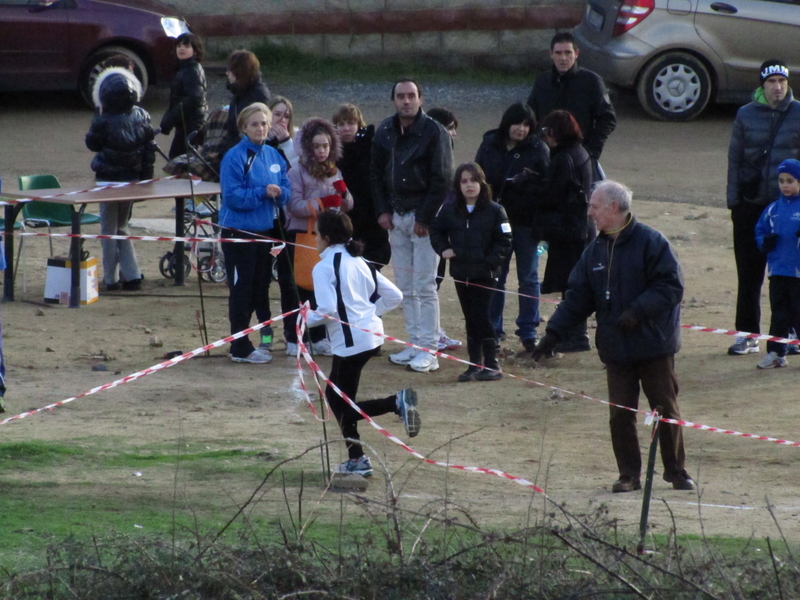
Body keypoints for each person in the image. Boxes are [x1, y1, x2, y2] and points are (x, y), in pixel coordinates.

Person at [532, 181, 695, 493]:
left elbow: (671, 286)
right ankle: (628, 475)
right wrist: (552, 334)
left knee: (665, 409)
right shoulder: (593, 251)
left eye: (595, 205)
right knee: (620, 414)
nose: (590, 211)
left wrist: (637, 310)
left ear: (614, 208)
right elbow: (577, 297)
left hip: (653, 344)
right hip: (616, 348)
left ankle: (676, 471)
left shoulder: (652, 243)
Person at [304, 210, 419, 477]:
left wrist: (303, 320)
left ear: (326, 236)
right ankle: (357, 458)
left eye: (316, 233)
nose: (314, 238)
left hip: (351, 342)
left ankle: (395, 403)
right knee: (340, 398)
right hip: (371, 337)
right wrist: (369, 314)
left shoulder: (322, 268)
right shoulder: (359, 260)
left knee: (339, 402)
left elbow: (328, 308)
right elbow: (395, 296)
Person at [370, 79, 454, 373]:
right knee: (405, 286)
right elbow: (376, 173)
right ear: (393, 100)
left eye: (411, 96)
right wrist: (382, 211)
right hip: (396, 216)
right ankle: (415, 343)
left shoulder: (435, 132)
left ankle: (429, 349)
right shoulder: (384, 131)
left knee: (425, 285)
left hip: (423, 219)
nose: (406, 101)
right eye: (400, 96)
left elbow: (442, 178)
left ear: (420, 98)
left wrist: (425, 217)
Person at [726, 59, 800, 356]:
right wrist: (733, 200)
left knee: (790, 276)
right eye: (771, 82)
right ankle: (747, 334)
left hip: (789, 208)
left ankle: (790, 334)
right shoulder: (745, 114)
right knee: (749, 274)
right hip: (750, 204)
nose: (777, 87)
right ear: (762, 85)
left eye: (782, 81)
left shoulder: (798, 113)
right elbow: (735, 159)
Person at [219, 102, 290, 364]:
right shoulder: (235, 157)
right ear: (244, 127)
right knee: (242, 288)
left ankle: (248, 340)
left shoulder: (274, 155)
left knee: (260, 287)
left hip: (265, 231)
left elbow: (286, 188)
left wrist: (281, 194)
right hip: (238, 232)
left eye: (264, 123)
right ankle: (239, 345)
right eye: (254, 124)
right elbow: (232, 196)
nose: (260, 128)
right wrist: (262, 192)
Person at [475, 102, 549, 351]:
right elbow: (478, 179)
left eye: (527, 124)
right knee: (497, 276)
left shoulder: (539, 148)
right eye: (518, 123)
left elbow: (546, 185)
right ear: (507, 123)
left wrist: (527, 184)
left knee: (529, 278)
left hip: (528, 223)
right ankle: (493, 329)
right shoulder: (489, 144)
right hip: (497, 222)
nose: (522, 129)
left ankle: (528, 331)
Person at [430, 163, 512, 382]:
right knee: (470, 317)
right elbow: (435, 231)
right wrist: (443, 249)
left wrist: (490, 261)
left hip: (485, 274)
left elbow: (505, 241)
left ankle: (492, 363)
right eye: (464, 181)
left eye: (473, 180)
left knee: (482, 316)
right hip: (461, 273)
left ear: (481, 183)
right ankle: (474, 364)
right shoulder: (449, 210)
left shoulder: (495, 210)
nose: (469, 185)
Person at [284, 117, 354, 356]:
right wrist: (321, 203)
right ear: (308, 147)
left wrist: (344, 194)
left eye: (325, 146)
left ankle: (319, 336)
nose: (322, 151)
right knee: (301, 287)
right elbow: (294, 205)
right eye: (316, 146)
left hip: (329, 239)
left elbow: (347, 207)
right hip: (304, 236)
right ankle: (295, 338)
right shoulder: (297, 172)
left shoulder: (335, 171)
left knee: (324, 288)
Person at [85, 55, 153, 292]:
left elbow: (92, 144)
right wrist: (145, 178)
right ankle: (132, 274)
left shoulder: (103, 119)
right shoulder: (143, 116)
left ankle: (111, 278)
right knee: (122, 227)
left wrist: (98, 116)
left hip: (107, 180)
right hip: (132, 180)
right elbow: (149, 150)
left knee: (108, 230)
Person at [529, 109, 594, 353]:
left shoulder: (563, 158)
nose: (546, 136)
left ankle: (576, 335)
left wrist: (532, 184)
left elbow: (552, 195)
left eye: (548, 131)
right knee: (575, 283)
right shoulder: (580, 153)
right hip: (580, 228)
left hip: (567, 231)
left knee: (571, 285)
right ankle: (577, 333)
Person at [527, 31, 616, 181]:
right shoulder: (543, 81)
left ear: (577, 53)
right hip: (545, 155)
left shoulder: (592, 82)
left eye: (568, 52)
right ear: (551, 54)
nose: (563, 58)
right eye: (558, 53)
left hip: (578, 157)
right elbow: (530, 115)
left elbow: (608, 119)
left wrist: (590, 152)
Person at [332, 103, 391, 268]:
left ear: (359, 125)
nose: (346, 128)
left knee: (373, 267)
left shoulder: (372, 147)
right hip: (344, 219)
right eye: (341, 124)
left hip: (371, 218)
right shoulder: (329, 151)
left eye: (350, 123)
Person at [754, 159, 800, 369]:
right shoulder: (773, 209)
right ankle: (776, 352)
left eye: (790, 180)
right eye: (781, 181)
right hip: (778, 270)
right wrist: (765, 242)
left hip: (798, 272)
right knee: (779, 314)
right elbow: (760, 230)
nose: (785, 185)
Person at [426, 106, 463, 353]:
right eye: (450, 129)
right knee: (428, 283)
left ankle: (434, 332)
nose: (454, 135)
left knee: (434, 281)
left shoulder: (444, 153)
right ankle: (430, 335)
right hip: (428, 227)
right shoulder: (434, 155)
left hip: (440, 227)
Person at [159, 33, 208, 160]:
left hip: (191, 124)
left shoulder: (192, 70)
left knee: (179, 160)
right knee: (180, 159)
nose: (181, 49)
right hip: (186, 124)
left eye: (186, 46)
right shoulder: (184, 68)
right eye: (179, 45)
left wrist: (169, 119)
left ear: (195, 50)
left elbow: (193, 98)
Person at [221, 50, 271, 156]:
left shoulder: (258, 94)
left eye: (230, 70)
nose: (227, 73)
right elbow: (232, 129)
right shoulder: (238, 92)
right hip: (235, 150)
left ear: (239, 71)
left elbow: (252, 131)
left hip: (249, 152)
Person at [267, 96, 299, 168]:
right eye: (277, 114)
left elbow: (301, 170)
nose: (283, 120)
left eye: (287, 116)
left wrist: (286, 142)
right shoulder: (259, 137)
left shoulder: (297, 141)